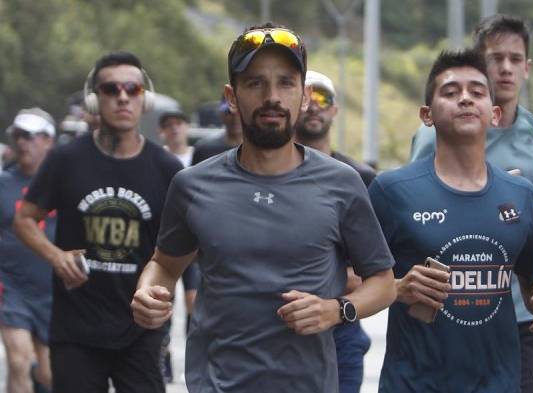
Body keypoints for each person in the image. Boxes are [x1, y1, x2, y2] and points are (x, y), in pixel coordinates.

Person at [131, 23, 396, 393]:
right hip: (216, 384)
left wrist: (336, 310)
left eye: (286, 82)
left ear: (303, 96)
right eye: (255, 82)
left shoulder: (342, 182)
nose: (272, 96)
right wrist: (148, 292)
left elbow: (383, 284)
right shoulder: (193, 185)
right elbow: (164, 264)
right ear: (232, 96)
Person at [370, 49, 533, 392]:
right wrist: (398, 289)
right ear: (426, 115)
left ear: (494, 113)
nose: (464, 99)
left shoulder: (520, 194)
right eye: (450, 92)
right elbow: (351, 281)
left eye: (476, 92)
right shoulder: (391, 191)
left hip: (497, 383)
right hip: (413, 384)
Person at [13, 51, 183, 393]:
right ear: (95, 99)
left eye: (132, 89)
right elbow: (25, 218)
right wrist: (55, 256)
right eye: (111, 89)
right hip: (75, 330)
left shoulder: (167, 169)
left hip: (140, 329)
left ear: (144, 99)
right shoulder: (66, 159)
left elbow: (186, 242)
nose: (122, 97)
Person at [295, 69, 375, 393]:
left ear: (335, 110)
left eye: (323, 98)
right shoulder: (267, 175)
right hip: (275, 332)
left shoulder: (360, 178)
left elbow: (378, 274)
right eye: (307, 97)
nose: (315, 106)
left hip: (342, 332)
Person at [0, 108, 56, 393]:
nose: (22, 142)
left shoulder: (62, 184)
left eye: (29, 136)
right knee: (19, 360)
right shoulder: (3, 184)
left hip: (53, 291)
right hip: (11, 288)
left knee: (48, 375)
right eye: (17, 135)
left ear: (48, 140)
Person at [156, 109, 200, 382]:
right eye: (168, 125)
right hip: (166, 239)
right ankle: (164, 357)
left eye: (178, 124)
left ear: (186, 127)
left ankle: (193, 358)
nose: (174, 130)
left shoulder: (200, 156)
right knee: (162, 299)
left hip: (197, 241)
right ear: (162, 131)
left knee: (194, 301)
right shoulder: (158, 159)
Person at [191, 95, 243, 165]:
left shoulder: (259, 150)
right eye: (229, 113)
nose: (235, 118)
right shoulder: (204, 149)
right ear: (221, 114)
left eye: (240, 112)